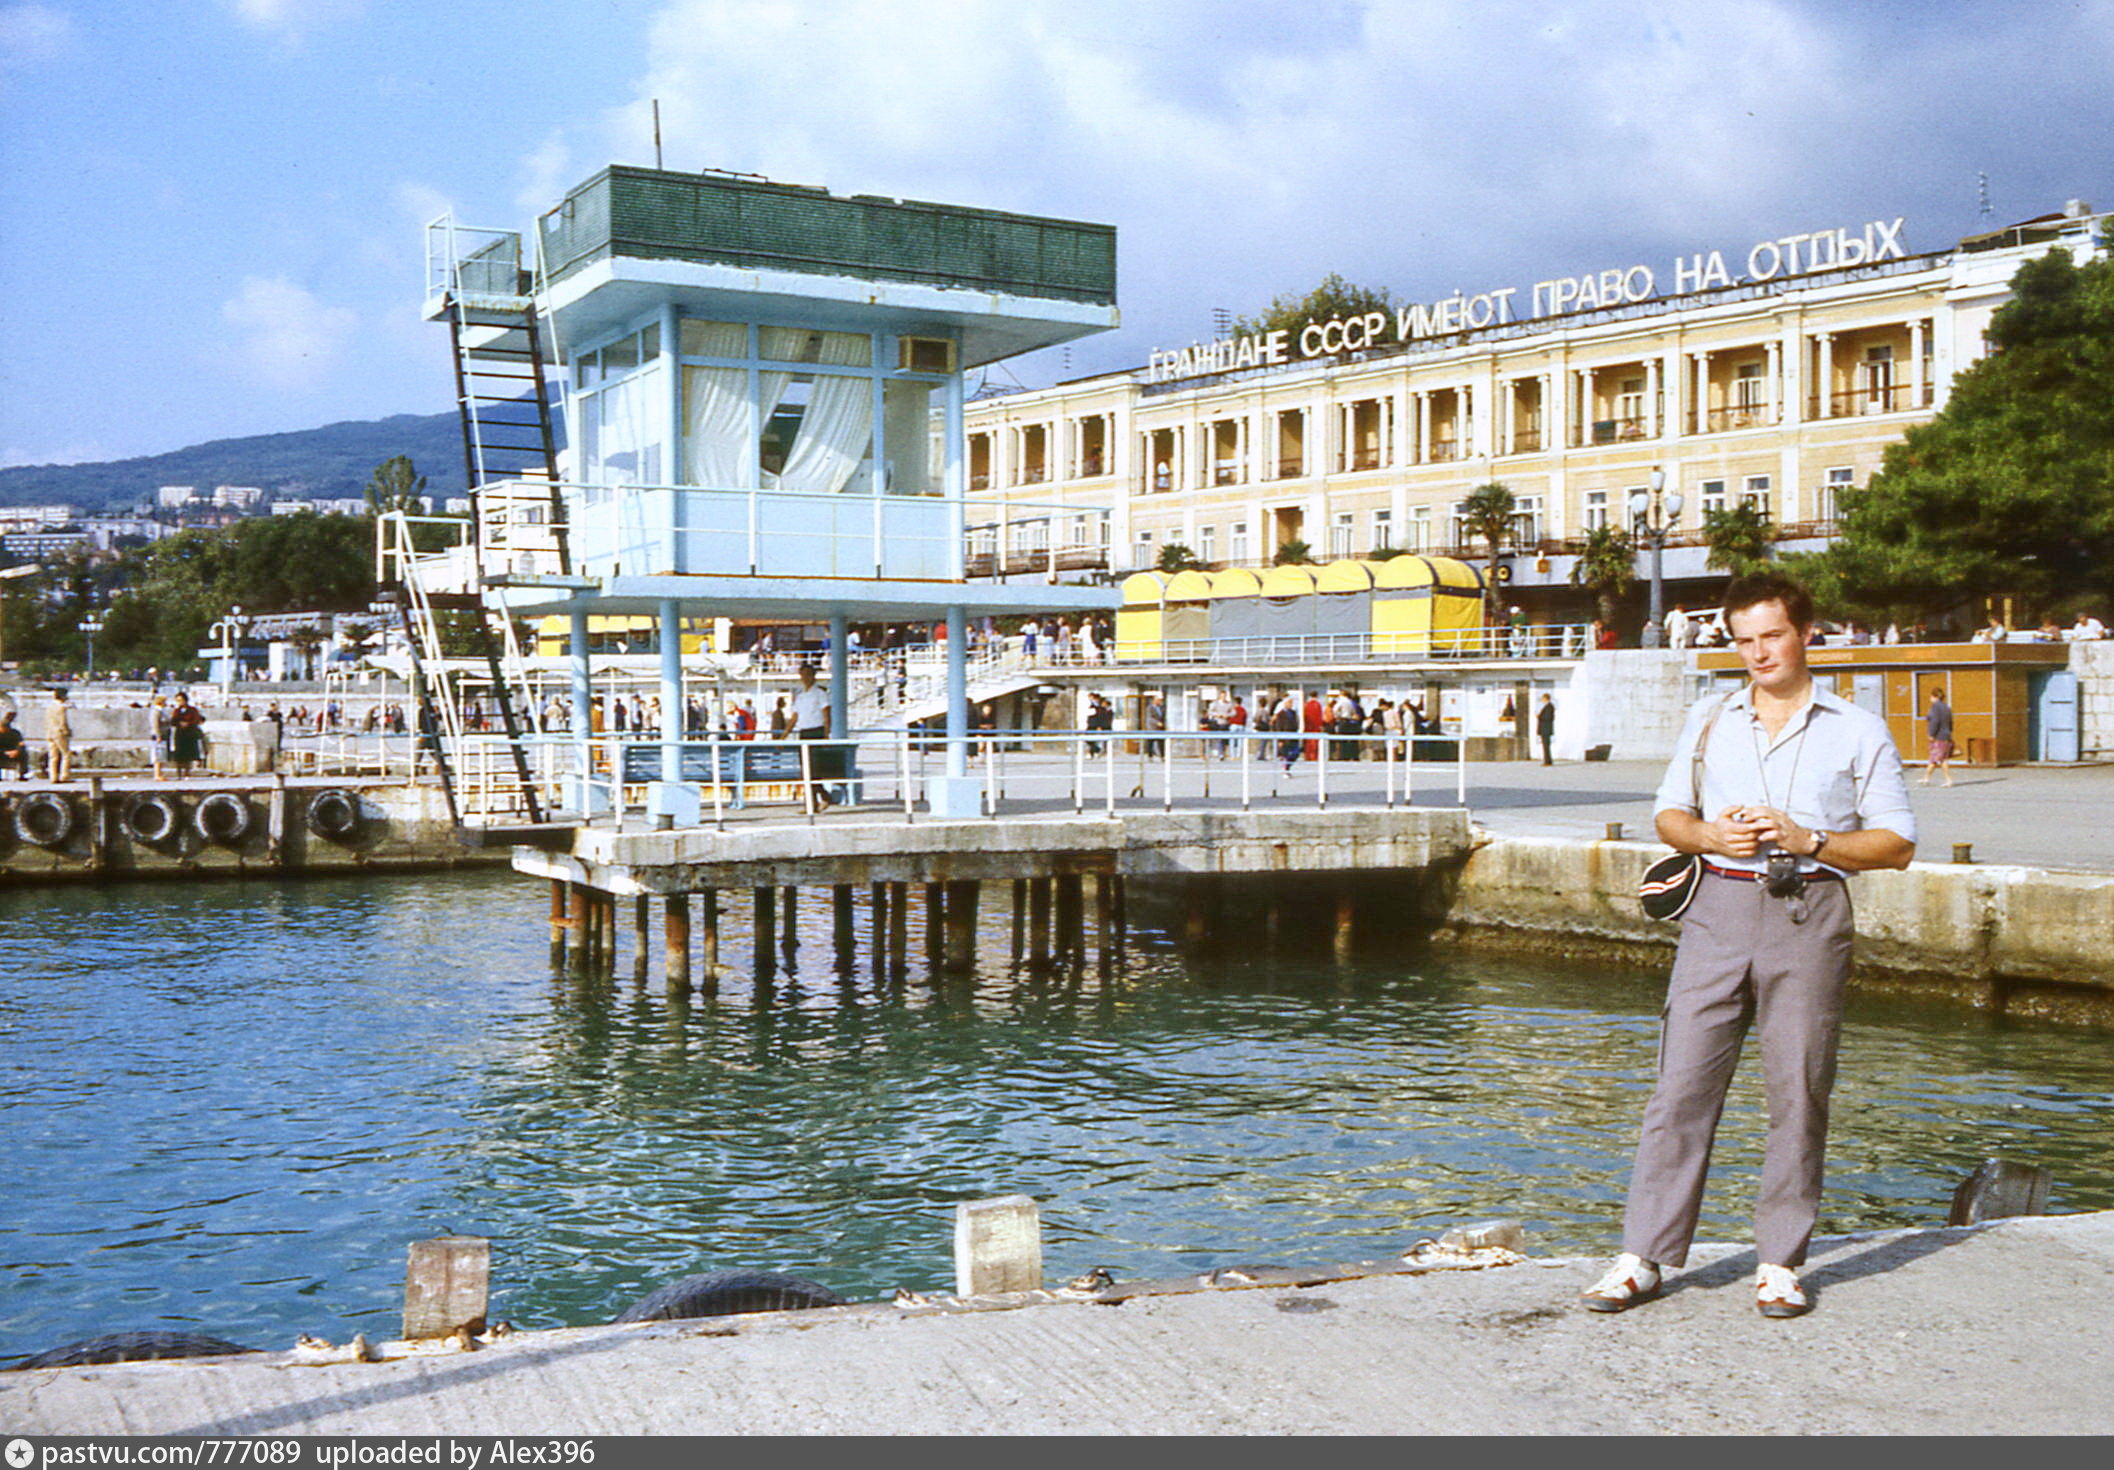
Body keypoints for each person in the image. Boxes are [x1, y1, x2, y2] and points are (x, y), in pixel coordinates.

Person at [1582, 571, 1916, 1321]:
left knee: (1799, 1090)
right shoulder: (1711, 719)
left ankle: (1779, 1263)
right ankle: (1643, 1256)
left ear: (1804, 634)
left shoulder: (1857, 729)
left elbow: (1897, 843)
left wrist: (1813, 839)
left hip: (1810, 907)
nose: (1759, 652)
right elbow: (1670, 815)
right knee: (1681, 1085)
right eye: (1744, 640)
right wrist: (1709, 834)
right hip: (1716, 908)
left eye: (1772, 635)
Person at [168, 691, 206, 779]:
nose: (179, 702)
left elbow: (196, 720)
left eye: (181, 700)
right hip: (180, 734)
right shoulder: (176, 711)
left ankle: (187, 773)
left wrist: (188, 723)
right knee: (179, 755)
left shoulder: (192, 710)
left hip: (189, 734)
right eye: (177, 700)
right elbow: (173, 721)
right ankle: (179, 774)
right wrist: (179, 723)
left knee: (188, 754)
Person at [1922, 689, 1955, 787]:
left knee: (1937, 759)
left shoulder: (1935, 707)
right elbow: (1951, 722)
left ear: (1934, 696)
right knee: (1939, 758)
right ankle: (1928, 778)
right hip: (1946, 736)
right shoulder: (1946, 707)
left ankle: (1929, 779)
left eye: (1931, 696)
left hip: (1938, 736)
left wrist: (1931, 734)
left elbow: (1934, 721)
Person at [46, 688, 72, 782]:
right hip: (59, 733)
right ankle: (64, 776)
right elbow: (63, 722)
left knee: (53, 756)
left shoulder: (49, 707)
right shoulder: (61, 708)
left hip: (50, 732)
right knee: (66, 754)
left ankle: (53, 777)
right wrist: (66, 731)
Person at [0, 709, 27, 780]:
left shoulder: (15, 733)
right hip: (2, 753)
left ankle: (22, 774)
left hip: (14, 752)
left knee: (24, 754)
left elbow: (21, 744)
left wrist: (17, 751)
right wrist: (6, 752)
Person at [1537, 693, 1557, 766]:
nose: (1542, 700)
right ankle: (1547, 760)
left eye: (1543, 698)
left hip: (1546, 729)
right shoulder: (1548, 706)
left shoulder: (1549, 706)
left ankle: (1548, 761)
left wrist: (1539, 716)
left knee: (1546, 746)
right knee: (1545, 746)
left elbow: (1548, 717)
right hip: (1545, 729)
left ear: (1546, 698)